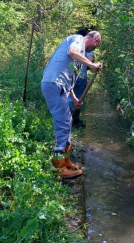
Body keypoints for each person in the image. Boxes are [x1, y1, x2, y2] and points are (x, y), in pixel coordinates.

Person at [41, 31, 102, 179]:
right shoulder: (78, 40)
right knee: (62, 125)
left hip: (60, 85)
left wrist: (74, 99)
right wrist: (92, 65)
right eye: (97, 44)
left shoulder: (79, 56)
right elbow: (71, 51)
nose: (96, 47)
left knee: (67, 122)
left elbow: (69, 80)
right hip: (54, 83)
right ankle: (58, 167)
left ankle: (65, 160)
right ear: (93, 38)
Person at [68, 29, 95, 128]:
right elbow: (91, 59)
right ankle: (75, 120)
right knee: (79, 98)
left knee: (69, 97)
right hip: (81, 76)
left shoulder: (72, 44)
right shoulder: (86, 46)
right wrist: (91, 65)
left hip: (70, 75)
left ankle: (68, 119)